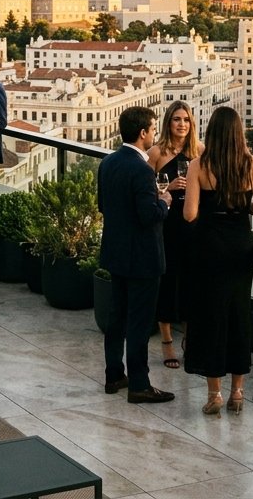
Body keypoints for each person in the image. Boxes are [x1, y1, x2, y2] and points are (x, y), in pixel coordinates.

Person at [182, 106, 253, 414]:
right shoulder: (252, 164)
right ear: (238, 132)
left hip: (208, 247)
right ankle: (238, 392)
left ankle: (214, 394)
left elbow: (190, 214)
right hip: (239, 247)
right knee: (238, 316)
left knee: (211, 317)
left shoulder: (198, 165)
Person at [99, 105, 175, 404]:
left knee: (116, 317)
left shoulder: (108, 163)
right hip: (143, 257)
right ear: (143, 133)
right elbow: (148, 216)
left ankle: (114, 374)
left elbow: (103, 205)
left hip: (116, 252)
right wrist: (165, 201)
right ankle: (140, 384)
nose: (154, 135)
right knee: (140, 323)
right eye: (153, 129)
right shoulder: (142, 170)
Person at [146, 100, 202, 370]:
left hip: (192, 225)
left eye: (186, 120)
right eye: (177, 119)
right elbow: (144, 189)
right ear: (168, 123)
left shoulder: (200, 151)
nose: (182, 124)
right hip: (166, 225)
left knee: (192, 282)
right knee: (167, 280)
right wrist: (165, 190)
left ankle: (190, 341)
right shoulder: (156, 153)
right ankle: (167, 341)